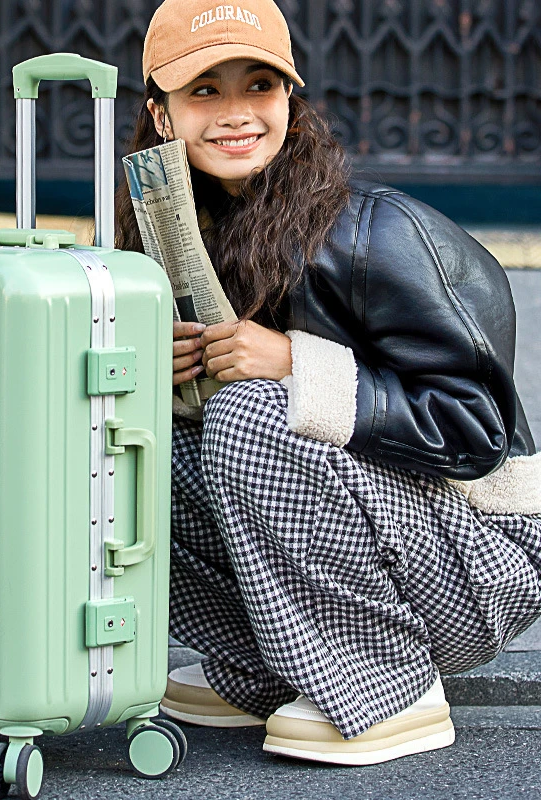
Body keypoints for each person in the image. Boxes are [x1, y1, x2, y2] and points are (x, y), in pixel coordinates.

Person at [112, 0, 541, 766]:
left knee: (250, 413)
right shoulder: (174, 228)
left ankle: (390, 689)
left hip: (483, 561)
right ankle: (276, 669)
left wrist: (293, 364)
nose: (237, 114)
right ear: (161, 113)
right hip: (388, 545)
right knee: (123, 448)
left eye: (260, 87)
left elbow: (475, 431)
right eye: (204, 91)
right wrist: (159, 381)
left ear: (291, 100)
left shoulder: (374, 231)